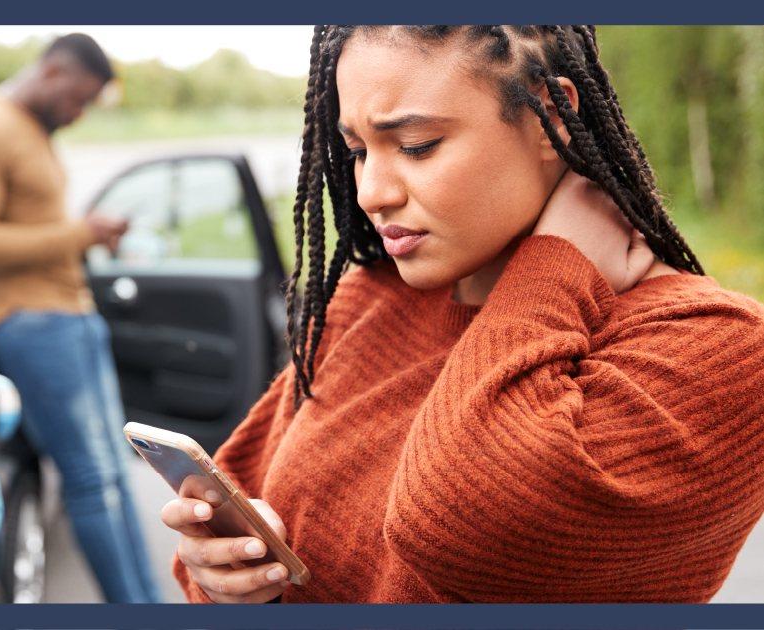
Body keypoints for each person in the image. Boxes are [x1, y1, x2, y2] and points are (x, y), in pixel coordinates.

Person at [164, 25, 764, 603]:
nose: (372, 190)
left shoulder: (721, 350)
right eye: (355, 150)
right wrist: (230, 585)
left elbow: (458, 528)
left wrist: (555, 268)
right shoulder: (368, 298)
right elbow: (240, 510)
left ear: (550, 117)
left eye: (415, 145)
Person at [0, 33, 161, 603]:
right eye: (78, 100)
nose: (79, 114)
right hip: (28, 321)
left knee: (114, 476)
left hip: (67, 314)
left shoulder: (34, 129)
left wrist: (87, 236)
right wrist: (78, 233)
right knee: (91, 481)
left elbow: (31, 225)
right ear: (54, 73)